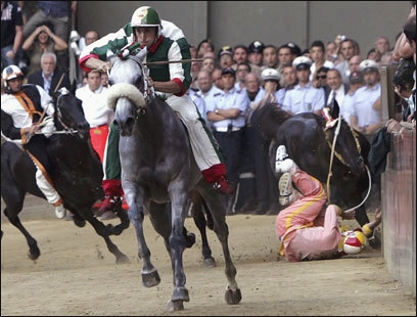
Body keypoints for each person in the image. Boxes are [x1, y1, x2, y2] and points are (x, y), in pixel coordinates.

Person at [79, 6, 234, 200]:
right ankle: (112, 189)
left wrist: (155, 84)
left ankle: (216, 175)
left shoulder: (175, 37)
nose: (142, 36)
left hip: (169, 95)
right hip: (139, 97)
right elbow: (86, 56)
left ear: (158, 29)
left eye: (148, 31)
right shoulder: (126, 34)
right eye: (139, 31)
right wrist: (101, 64)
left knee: (193, 117)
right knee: (116, 125)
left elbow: (181, 84)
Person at [274, 145, 382, 262]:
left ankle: (290, 169)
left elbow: (333, 208)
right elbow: (362, 231)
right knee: (320, 216)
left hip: (289, 222)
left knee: (317, 195)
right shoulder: (333, 253)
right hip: (287, 240)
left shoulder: (331, 235)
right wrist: (375, 223)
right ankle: (295, 199)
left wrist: (344, 215)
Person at [1, 64, 67, 219]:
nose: (16, 83)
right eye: (12, 81)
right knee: (41, 172)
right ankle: (56, 201)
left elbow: (48, 104)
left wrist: (52, 114)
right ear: (6, 83)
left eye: (18, 79)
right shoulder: (3, 104)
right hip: (31, 138)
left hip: (48, 127)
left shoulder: (34, 88)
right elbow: (7, 131)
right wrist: (27, 130)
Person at [75, 69, 122, 219]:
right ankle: (89, 200)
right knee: (82, 166)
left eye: (97, 77)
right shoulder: (79, 93)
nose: (95, 80)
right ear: (86, 79)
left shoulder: (108, 93)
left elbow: (109, 114)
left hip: (101, 131)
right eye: (92, 78)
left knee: (105, 165)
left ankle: (112, 199)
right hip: (82, 132)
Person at [206, 67, 250, 212]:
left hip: (234, 135)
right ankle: (221, 202)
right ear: (221, 79)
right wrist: (226, 114)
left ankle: (231, 202)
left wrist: (218, 111)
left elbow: (236, 113)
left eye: (230, 76)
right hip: (219, 135)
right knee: (220, 169)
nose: (228, 79)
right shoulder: (215, 96)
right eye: (225, 76)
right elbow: (210, 116)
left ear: (234, 78)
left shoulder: (241, 94)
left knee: (231, 168)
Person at [350, 59, 382, 135]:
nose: (368, 77)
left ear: (377, 74)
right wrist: (354, 127)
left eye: (371, 73)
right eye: (366, 74)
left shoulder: (382, 90)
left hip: (378, 133)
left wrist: (376, 126)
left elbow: (389, 116)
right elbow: (353, 114)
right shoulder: (358, 93)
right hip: (361, 134)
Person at [1, 1, 24, 69]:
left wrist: (14, 50)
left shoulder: (14, 7)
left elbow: (19, 31)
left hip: (8, 45)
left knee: (12, 68)